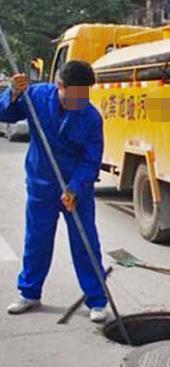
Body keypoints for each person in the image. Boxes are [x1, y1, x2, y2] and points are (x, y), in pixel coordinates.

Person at [1, 61, 108, 323]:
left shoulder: (91, 117)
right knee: (36, 240)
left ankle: (97, 300)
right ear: (60, 86)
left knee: (85, 244)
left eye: (85, 95)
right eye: (76, 95)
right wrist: (12, 93)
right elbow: (5, 114)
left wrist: (75, 187)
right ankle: (29, 293)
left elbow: (92, 159)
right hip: (42, 185)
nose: (81, 100)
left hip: (76, 190)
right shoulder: (36, 97)